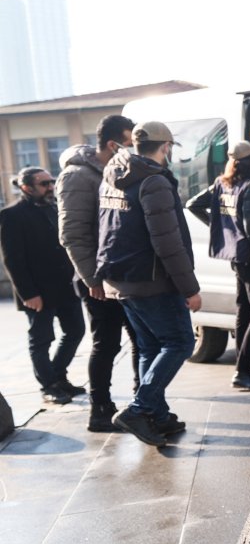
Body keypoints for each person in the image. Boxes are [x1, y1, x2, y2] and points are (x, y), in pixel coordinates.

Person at [96, 121, 202, 447]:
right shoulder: (153, 181)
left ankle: (156, 415)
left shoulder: (114, 175)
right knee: (180, 342)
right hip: (152, 281)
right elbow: (167, 242)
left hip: (122, 278)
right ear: (166, 147)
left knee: (150, 347)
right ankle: (140, 408)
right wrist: (190, 288)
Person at [57, 114, 144, 430]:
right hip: (97, 279)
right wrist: (92, 278)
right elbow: (72, 234)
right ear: (113, 143)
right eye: (130, 142)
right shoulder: (77, 177)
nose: (134, 148)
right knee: (106, 343)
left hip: (122, 274)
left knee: (140, 339)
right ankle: (100, 409)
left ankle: (143, 404)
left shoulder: (117, 170)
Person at [186, 140, 250, 392]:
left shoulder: (221, 184)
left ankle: (245, 367)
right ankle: (241, 371)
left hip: (235, 256)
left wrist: (223, 229)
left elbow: (193, 204)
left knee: (244, 310)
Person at [0, 167, 86, 406]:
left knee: (76, 330)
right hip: (37, 292)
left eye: (51, 182)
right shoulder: (12, 215)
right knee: (41, 340)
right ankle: (48, 386)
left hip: (65, 287)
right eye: (44, 184)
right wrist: (28, 293)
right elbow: (13, 259)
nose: (50, 187)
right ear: (26, 187)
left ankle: (58, 376)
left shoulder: (54, 208)